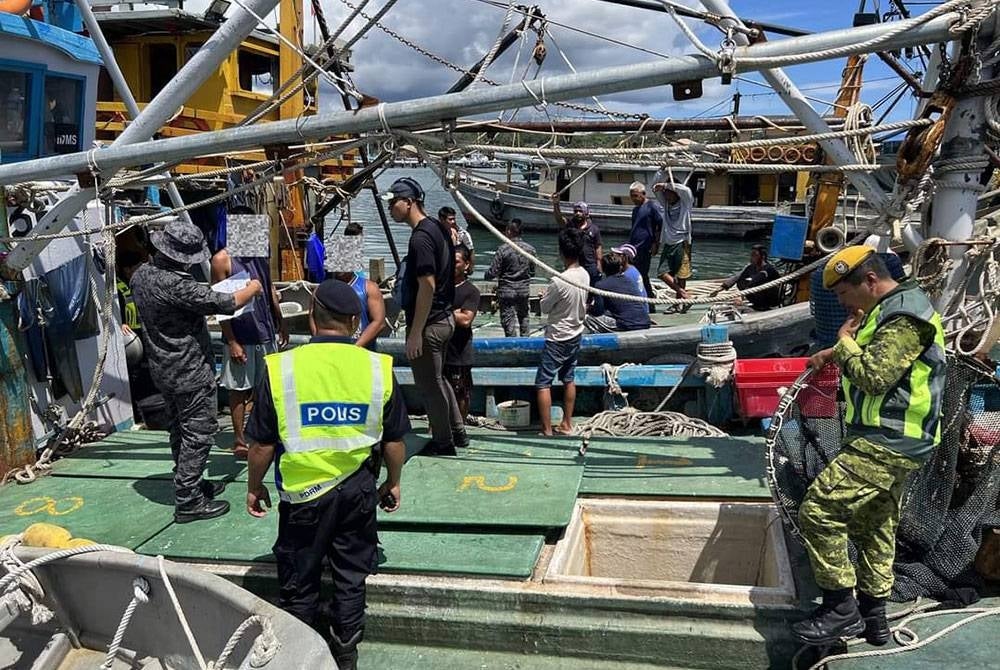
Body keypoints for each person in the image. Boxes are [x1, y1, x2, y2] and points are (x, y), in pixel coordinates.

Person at [244, 279, 408, 670]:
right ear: (354, 322)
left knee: (299, 584)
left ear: (313, 323)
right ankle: (345, 654)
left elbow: (262, 444)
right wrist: (393, 481)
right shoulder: (377, 368)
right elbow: (394, 441)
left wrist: (254, 487)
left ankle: (302, 657)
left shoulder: (281, 368)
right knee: (351, 577)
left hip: (302, 497)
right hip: (358, 491)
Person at [794, 246, 946, 647]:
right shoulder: (885, 312)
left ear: (870, 281)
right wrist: (832, 352)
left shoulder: (904, 314)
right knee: (875, 525)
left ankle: (840, 608)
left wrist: (842, 342)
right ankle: (873, 617)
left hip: (888, 439)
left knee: (819, 511)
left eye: (844, 293)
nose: (842, 302)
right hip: (893, 439)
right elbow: (880, 355)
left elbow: (875, 375)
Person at [130, 220, 263, 523]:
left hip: (162, 367)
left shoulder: (142, 276)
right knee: (199, 433)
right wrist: (254, 287)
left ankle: (190, 482)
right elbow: (226, 302)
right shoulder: (177, 286)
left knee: (180, 429)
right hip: (189, 369)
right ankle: (188, 500)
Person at [384, 177, 467, 455]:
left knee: (429, 387)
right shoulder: (438, 227)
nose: (390, 208)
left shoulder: (420, 238)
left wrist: (415, 331)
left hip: (430, 323)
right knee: (439, 379)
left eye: (393, 202)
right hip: (445, 318)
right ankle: (458, 432)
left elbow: (427, 284)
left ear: (409, 202)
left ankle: (443, 443)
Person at [211, 246, 288, 459]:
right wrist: (232, 341)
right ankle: (239, 440)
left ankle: (263, 434)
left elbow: (269, 287)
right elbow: (219, 303)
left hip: (266, 332)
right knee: (238, 389)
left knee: (268, 389)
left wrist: (280, 320)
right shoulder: (221, 260)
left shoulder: (261, 253)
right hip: (240, 336)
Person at [536, 228, 589, 437]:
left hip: (558, 337)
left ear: (561, 252)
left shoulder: (559, 280)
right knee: (568, 378)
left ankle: (547, 430)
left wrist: (544, 296)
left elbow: (545, 308)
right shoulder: (584, 274)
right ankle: (567, 423)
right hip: (576, 332)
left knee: (543, 383)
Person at [330, 224, 387, 350]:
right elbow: (314, 320)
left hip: (362, 350)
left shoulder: (369, 288)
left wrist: (356, 347)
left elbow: (379, 322)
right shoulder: (323, 290)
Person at [445, 245, 480, 422]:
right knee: (440, 390)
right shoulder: (440, 287)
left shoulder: (471, 291)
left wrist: (444, 312)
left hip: (460, 351)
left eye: (456, 261)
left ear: (466, 265)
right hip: (441, 347)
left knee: (462, 390)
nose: (452, 264)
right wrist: (454, 312)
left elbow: (466, 320)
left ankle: (459, 425)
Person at [484, 218, 536, 337]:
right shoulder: (531, 250)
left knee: (508, 321)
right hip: (523, 290)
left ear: (508, 231)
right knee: (524, 318)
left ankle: (511, 342)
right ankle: (525, 341)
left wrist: (486, 275)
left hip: (506, 290)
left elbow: (493, 272)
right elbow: (532, 273)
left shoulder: (503, 250)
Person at [586, 252, 651, 333]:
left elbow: (598, 311)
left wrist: (588, 308)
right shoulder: (628, 280)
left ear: (603, 268)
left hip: (627, 325)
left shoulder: (600, 285)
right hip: (645, 321)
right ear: (620, 267)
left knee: (588, 318)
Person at [652, 177, 694, 302]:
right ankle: (682, 293)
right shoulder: (665, 203)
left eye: (669, 192)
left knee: (681, 276)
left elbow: (686, 190)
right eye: (665, 193)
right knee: (661, 272)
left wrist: (666, 185)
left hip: (682, 241)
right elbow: (655, 187)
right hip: (669, 242)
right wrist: (662, 170)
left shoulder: (685, 202)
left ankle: (679, 302)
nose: (666, 195)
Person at [710, 244, 783, 311]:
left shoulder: (768, 269)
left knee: (757, 284)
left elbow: (757, 279)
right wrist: (720, 289)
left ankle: (765, 306)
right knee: (741, 282)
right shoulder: (751, 268)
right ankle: (758, 305)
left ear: (762, 256)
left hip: (772, 298)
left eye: (755, 255)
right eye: (751, 255)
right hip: (758, 295)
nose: (751, 258)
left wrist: (741, 295)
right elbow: (738, 277)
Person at [551, 194, 602, 284]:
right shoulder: (570, 225)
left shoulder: (594, 229)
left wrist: (599, 263)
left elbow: (598, 246)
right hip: (574, 265)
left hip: (590, 265)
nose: (578, 213)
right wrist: (556, 204)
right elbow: (559, 219)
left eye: (580, 211)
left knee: (593, 289)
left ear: (586, 213)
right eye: (576, 211)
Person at [627, 182, 662, 309]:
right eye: (631, 196)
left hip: (645, 247)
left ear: (643, 194)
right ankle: (640, 299)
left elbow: (660, 225)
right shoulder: (635, 209)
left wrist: (656, 244)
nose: (633, 199)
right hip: (633, 248)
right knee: (634, 274)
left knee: (642, 275)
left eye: (635, 196)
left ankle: (650, 302)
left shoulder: (652, 206)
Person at [611, 243, 649, 311]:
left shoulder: (625, 276)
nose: (615, 257)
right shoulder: (634, 270)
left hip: (636, 311)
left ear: (625, 257)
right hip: (642, 309)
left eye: (618, 255)